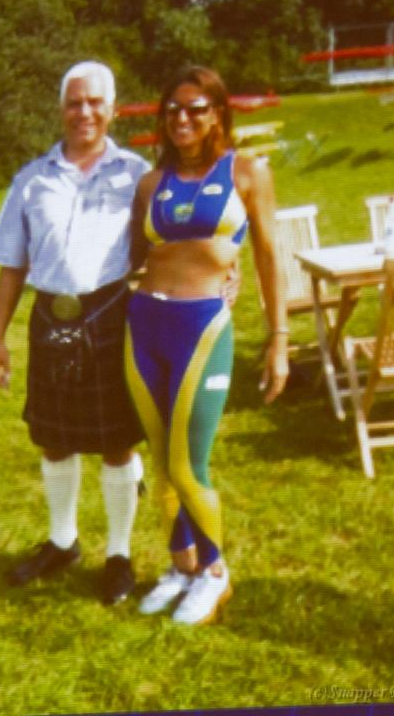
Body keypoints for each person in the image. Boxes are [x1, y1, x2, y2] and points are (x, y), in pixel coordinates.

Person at [124, 65, 289, 625]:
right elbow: (132, 258)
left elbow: (268, 256)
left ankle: (215, 574)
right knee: (161, 462)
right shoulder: (151, 183)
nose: (183, 118)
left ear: (218, 113)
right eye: (173, 108)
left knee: (187, 463)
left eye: (196, 108)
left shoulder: (247, 172)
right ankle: (182, 567)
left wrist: (279, 339)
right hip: (144, 325)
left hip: (203, 328)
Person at [0, 61, 151, 604]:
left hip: (112, 315)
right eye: (74, 102)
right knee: (54, 440)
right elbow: (12, 263)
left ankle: (119, 555)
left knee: (117, 443)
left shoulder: (138, 175)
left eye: (95, 102)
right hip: (49, 318)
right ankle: (62, 543)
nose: (84, 112)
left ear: (114, 110)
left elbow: (176, 241)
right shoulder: (32, 179)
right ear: (61, 109)